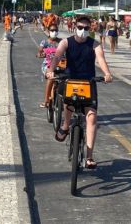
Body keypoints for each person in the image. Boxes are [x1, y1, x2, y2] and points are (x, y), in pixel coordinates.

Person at [47, 15, 113, 169]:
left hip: (88, 83)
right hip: (71, 80)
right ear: (75, 26)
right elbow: (57, 57)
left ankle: (89, 157)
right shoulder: (66, 42)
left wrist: (107, 74)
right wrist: (51, 70)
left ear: (90, 29)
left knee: (91, 118)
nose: (83, 31)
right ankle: (65, 125)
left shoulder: (94, 44)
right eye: (80, 27)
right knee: (68, 104)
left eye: (86, 28)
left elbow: (101, 59)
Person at [38, 27, 62, 107]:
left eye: (56, 30)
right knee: (51, 77)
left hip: (61, 64)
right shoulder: (44, 42)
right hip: (48, 65)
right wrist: (40, 54)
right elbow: (40, 51)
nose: (54, 32)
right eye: (52, 30)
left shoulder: (61, 41)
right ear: (48, 31)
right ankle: (46, 100)